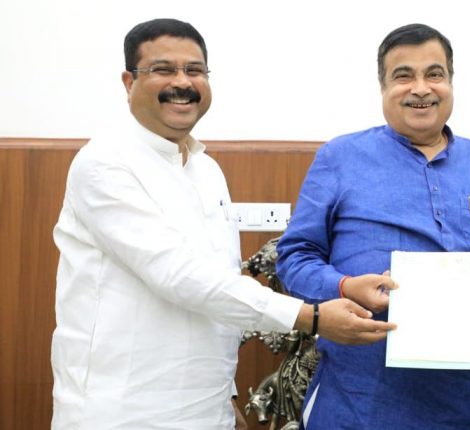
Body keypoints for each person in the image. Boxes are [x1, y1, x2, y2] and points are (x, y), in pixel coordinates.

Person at [51, 18, 395, 429]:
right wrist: (312, 317)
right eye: (163, 69)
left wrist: (224, 394)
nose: (182, 82)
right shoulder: (104, 164)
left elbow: (220, 284)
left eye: (194, 70)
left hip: (205, 408)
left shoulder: (207, 170)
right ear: (129, 82)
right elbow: (178, 276)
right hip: (123, 411)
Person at [275, 23, 470, 429]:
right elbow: (293, 258)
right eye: (403, 75)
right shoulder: (340, 157)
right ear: (383, 87)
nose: (421, 88)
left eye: (434, 74)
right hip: (360, 406)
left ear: (450, 82)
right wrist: (344, 287)